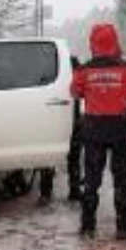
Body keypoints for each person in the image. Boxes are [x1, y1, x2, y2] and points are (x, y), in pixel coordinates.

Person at [71, 24, 126, 239]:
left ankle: (87, 227)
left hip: (93, 129)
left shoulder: (84, 71)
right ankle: (124, 227)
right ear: (115, 42)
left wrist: (79, 74)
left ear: (93, 44)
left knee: (92, 180)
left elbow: (75, 93)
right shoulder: (125, 70)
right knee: (121, 178)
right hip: (119, 130)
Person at [37, 56, 85, 205]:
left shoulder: (49, 74)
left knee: (52, 157)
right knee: (72, 158)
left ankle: (46, 193)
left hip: (59, 123)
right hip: (70, 122)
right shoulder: (73, 72)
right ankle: (73, 191)